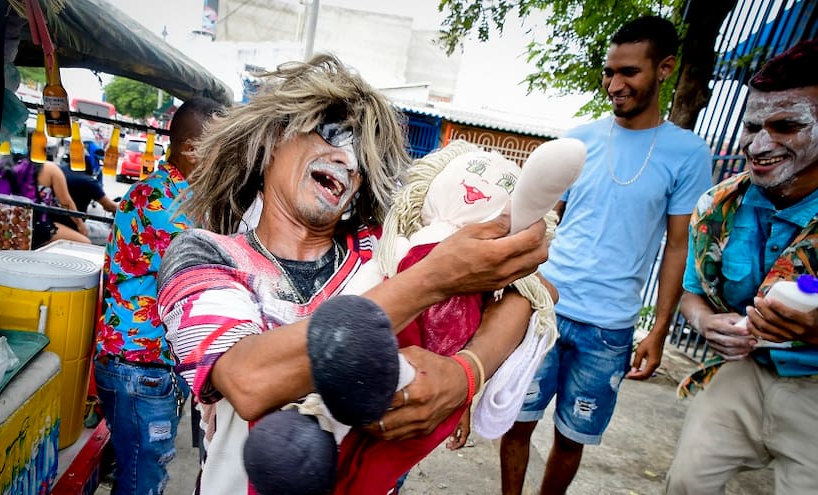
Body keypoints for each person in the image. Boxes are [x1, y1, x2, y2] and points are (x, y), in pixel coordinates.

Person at [155, 54, 550, 495]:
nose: (347, 158)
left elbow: (530, 291)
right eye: (334, 132)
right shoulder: (205, 255)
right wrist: (433, 280)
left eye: (364, 154)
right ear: (271, 142)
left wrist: (465, 375)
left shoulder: (384, 249)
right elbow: (248, 380)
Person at [499, 15, 713, 495]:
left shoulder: (688, 154)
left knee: (572, 437)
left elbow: (679, 245)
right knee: (516, 419)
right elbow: (543, 220)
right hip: (546, 307)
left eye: (629, 73)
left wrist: (657, 330)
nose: (614, 85)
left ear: (665, 69)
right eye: (608, 72)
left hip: (609, 329)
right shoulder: (580, 140)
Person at [666, 39, 818, 494]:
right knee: (687, 483)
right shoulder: (719, 206)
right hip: (748, 369)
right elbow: (691, 292)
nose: (760, 143)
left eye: (786, 125)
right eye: (752, 126)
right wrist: (705, 321)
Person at [94, 96, 225, 495]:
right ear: (190, 150)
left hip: (148, 366)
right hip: (141, 368)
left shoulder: (177, 193)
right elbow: (218, 266)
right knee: (142, 483)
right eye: (222, 148)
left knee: (141, 474)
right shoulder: (166, 201)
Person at [32, 159, 91, 249]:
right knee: (85, 244)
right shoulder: (50, 168)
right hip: (38, 227)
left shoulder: (5, 163)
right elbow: (66, 203)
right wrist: (80, 224)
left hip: (10, 224)